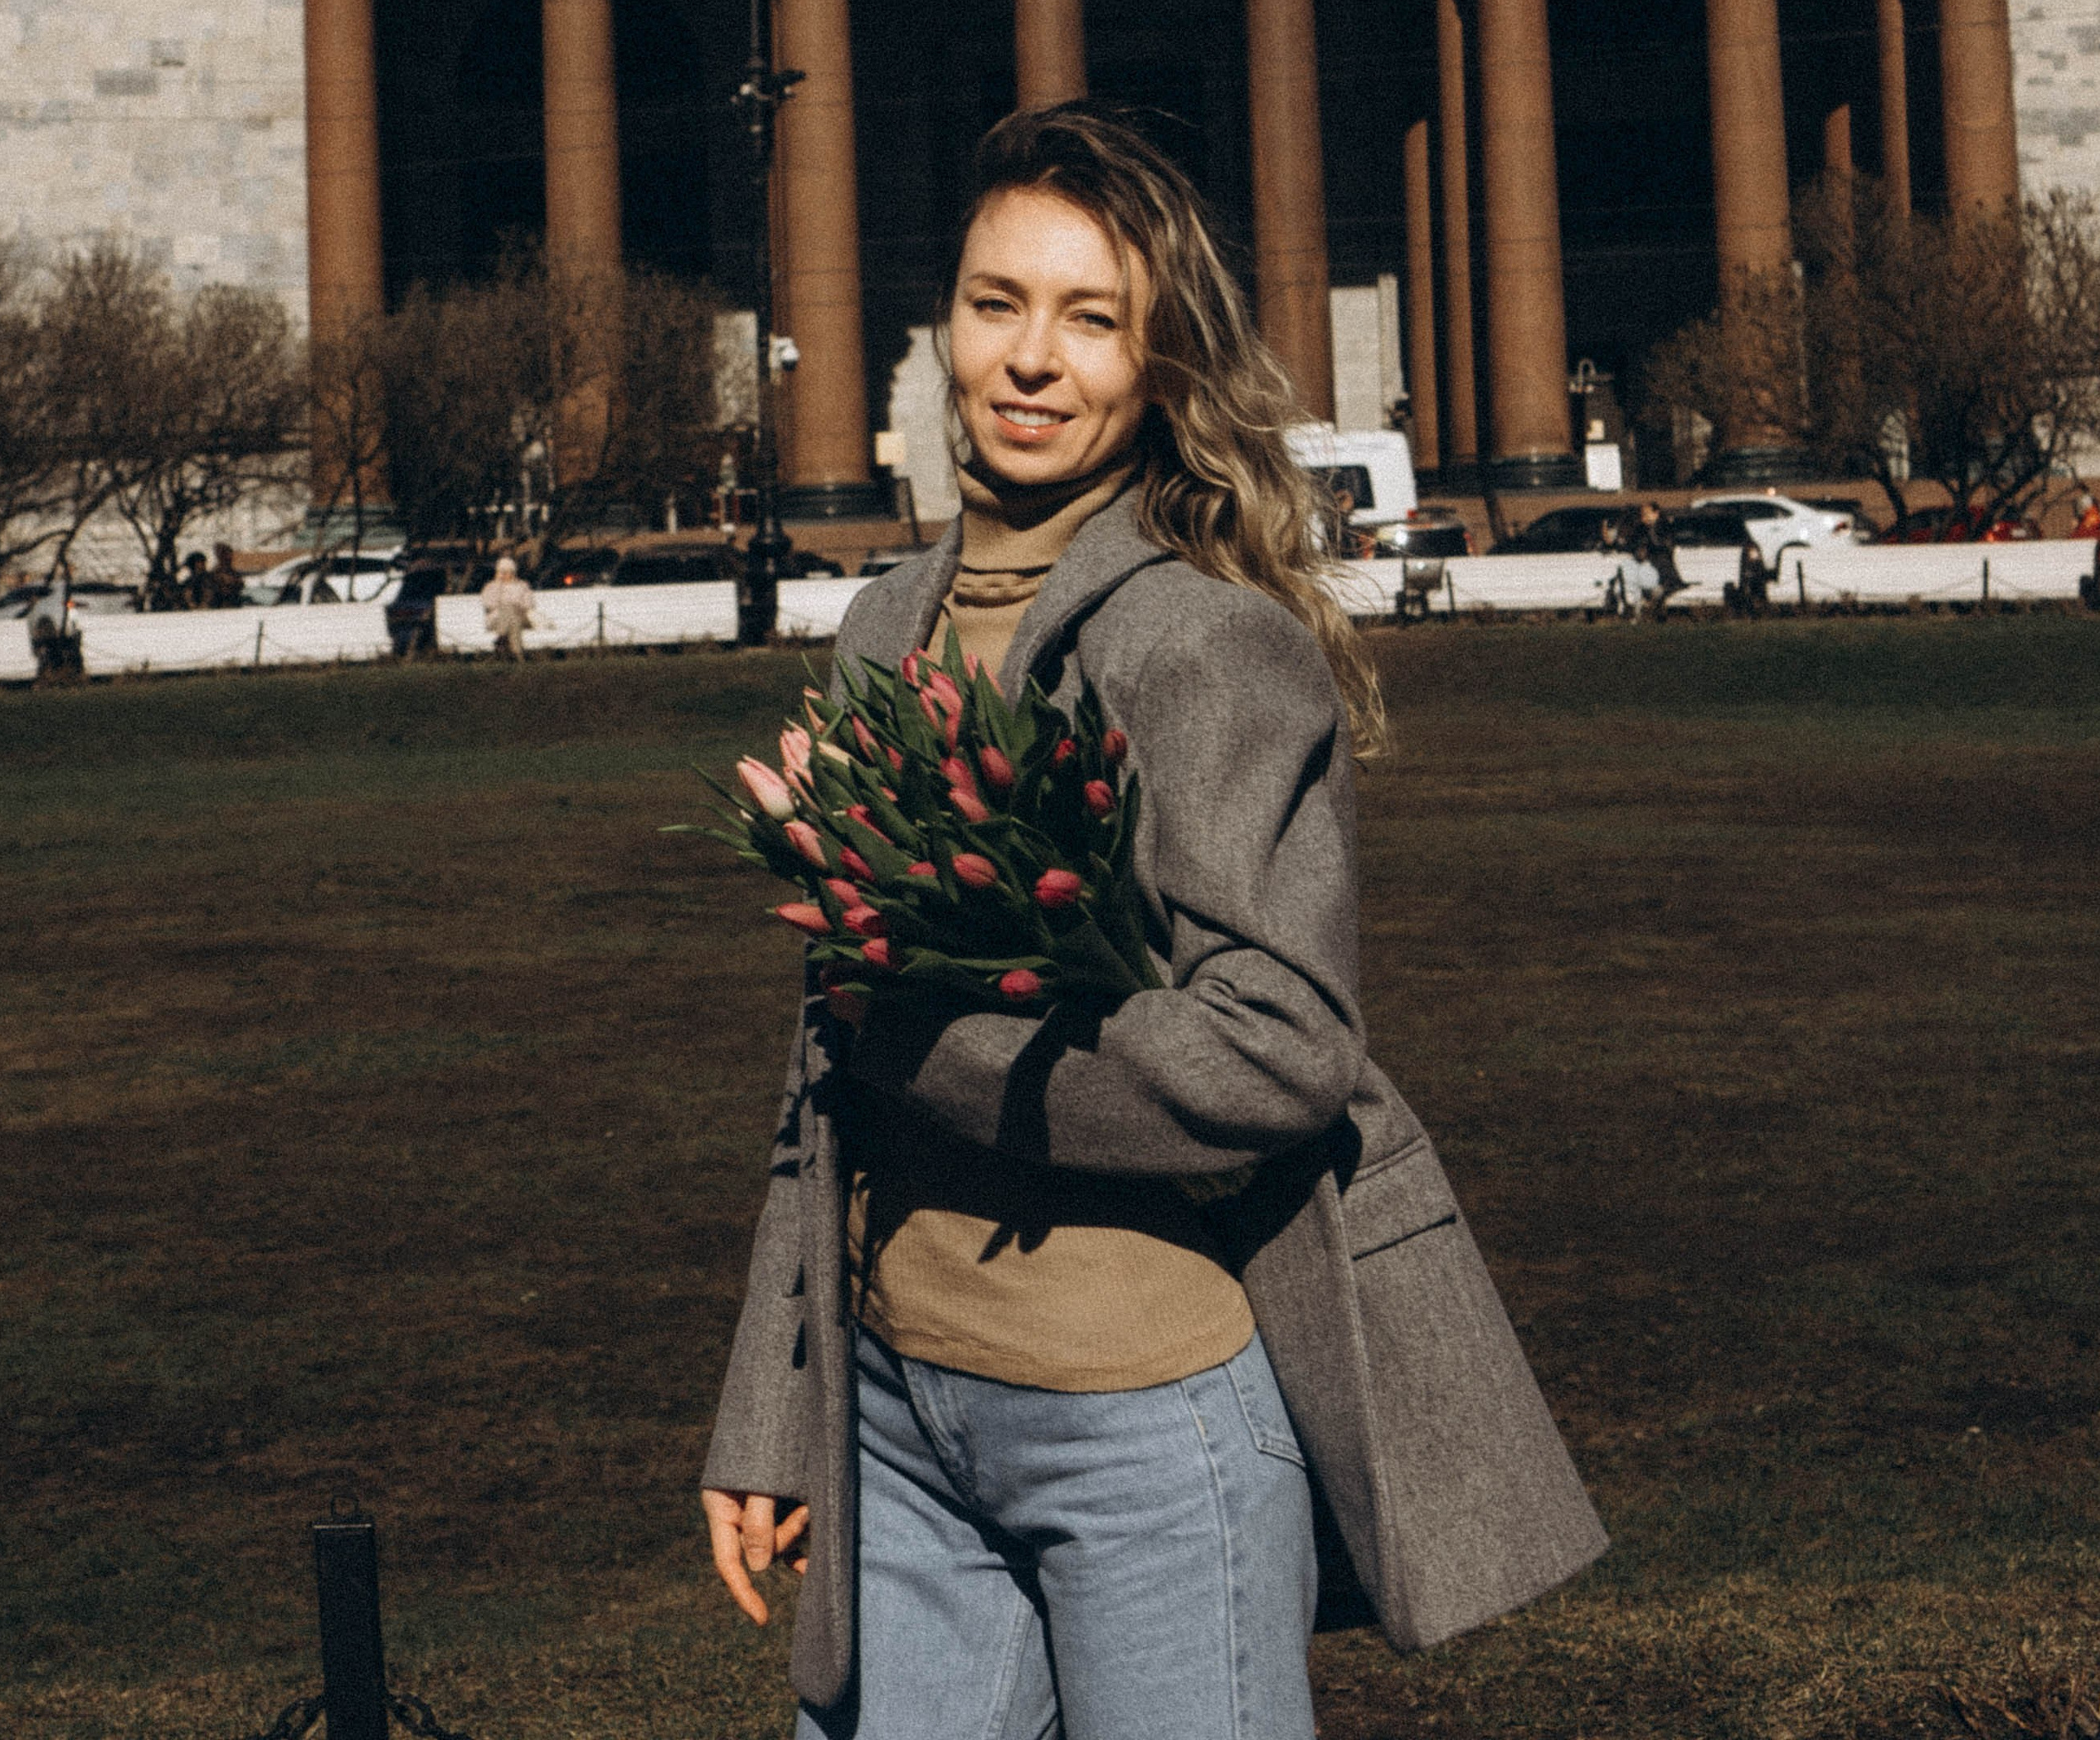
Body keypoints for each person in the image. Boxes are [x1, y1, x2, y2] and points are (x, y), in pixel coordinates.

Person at [702, 104, 1604, 1740]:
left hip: (1141, 1425)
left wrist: (932, 1030)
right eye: (996, 304)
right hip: (897, 1417)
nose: (1030, 359)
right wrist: (773, 1418)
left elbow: (1278, 1055)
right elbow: (825, 1047)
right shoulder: (881, 626)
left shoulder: (1200, 646)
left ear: (1156, 364)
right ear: (942, 327)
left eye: (1089, 317)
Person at [480, 553, 535, 660]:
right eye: (502, 572)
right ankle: (518, 654)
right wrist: (499, 586)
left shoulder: (523, 585)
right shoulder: (491, 587)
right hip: (497, 619)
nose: (505, 575)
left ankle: (501, 637)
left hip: (521, 617)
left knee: (512, 614)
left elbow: (529, 604)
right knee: (511, 616)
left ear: (513, 572)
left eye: (508, 572)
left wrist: (516, 607)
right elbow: (489, 604)